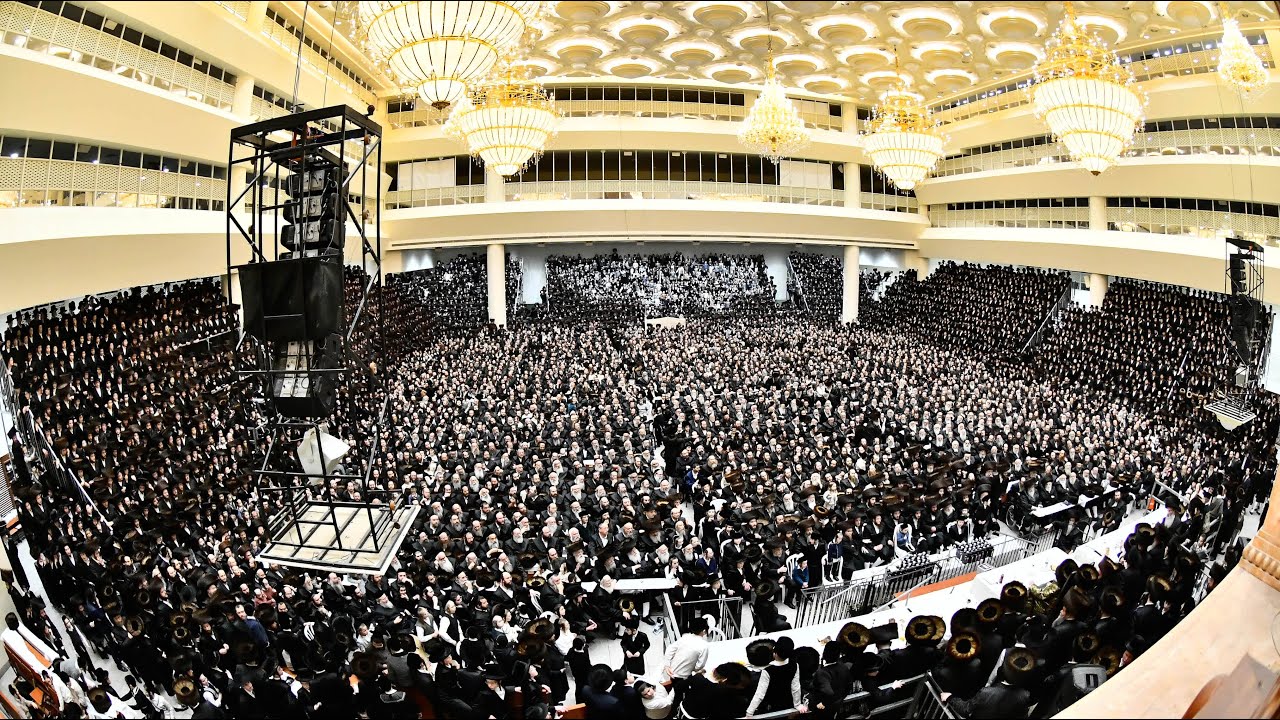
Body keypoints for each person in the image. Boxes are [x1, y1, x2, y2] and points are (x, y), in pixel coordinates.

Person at [745, 636, 805, 717]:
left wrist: (750, 712)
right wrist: (797, 704)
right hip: (788, 702)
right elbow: (796, 687)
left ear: (775, 652)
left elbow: (760, 694)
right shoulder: (795, 665)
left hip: (772, 706)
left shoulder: (767, 671)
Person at [663, 617, 710, 705]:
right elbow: (700, 666)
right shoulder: (704, 646)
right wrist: (693, 668)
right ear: (704, 631)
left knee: (676, 691)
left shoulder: (685, 637)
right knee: (680, 695)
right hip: (684, 676)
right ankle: (678, 708)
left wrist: (667, 665)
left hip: (673, 671)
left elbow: (670, 649)